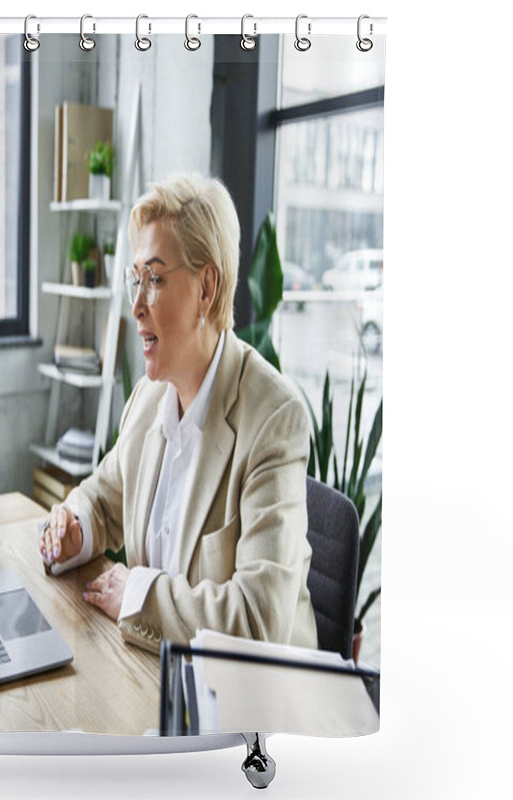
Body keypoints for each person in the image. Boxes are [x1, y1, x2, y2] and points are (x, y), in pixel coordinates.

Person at [38, 173, 318, 653]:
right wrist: (76, 527)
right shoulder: (149, 399)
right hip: (158, 674)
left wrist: (138, 595)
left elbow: (258, 618)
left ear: (206, 288)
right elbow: (104, 498)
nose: (137, 307)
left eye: (155, 279)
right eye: (136, 281)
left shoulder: (274, 418)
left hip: (250, 705)